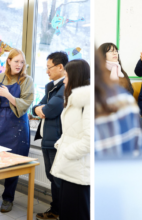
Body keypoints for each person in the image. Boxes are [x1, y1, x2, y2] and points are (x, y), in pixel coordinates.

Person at [0, 49, 34, 212]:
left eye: (22, 62)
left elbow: (26, 104)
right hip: (0, 123)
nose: (19, 65)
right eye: (16, 61)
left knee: (14, 163)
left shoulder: (27, 80)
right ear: (9, 61)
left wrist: (8, 95)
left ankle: (8, 199)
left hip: (18, 124)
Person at [50, 59, 90, 220]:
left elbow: (89, 140)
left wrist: (67, 152)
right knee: (66, 213)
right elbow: (71, 132)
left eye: (66, 76)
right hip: (70, 168)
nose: (64, 80)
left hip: (78, 170)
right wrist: (61, 144)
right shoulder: (75, 99)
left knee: (77, 214)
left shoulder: (88, 101)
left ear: (76, 76)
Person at [32, 51, 68, 220]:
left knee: (58, 179)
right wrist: (40, 109)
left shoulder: (66, 86)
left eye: (49, 68)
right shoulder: (50, 86)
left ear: (61, 67)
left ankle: (59, 211)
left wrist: (42, 109)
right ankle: (56, 210)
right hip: (47, 139)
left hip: (56, 140)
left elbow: (50, 110)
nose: (47, 71)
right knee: (52, 177)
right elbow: (36, 108)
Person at [95, 51, 142, 156]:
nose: (115, 53)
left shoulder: (121, 71)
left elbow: (129, 90)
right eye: (111, 51)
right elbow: (138, 72)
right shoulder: (102, 75)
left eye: (116, 51)